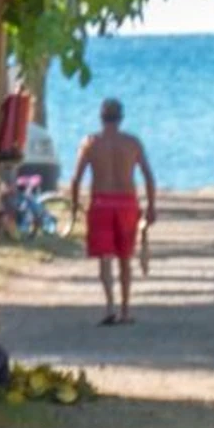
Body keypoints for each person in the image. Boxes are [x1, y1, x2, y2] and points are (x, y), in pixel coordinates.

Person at [69, 97, 157, 325]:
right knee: (125, 258)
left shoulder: (90, 143)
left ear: (101, 117)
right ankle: (126, 309)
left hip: (100, 203)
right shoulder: (132, 143)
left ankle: (110, 306)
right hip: (127, 203)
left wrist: (74, 206)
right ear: (121, 118)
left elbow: (76, 179)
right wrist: (151, 206)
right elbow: (148, 177)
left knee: (105, 257)